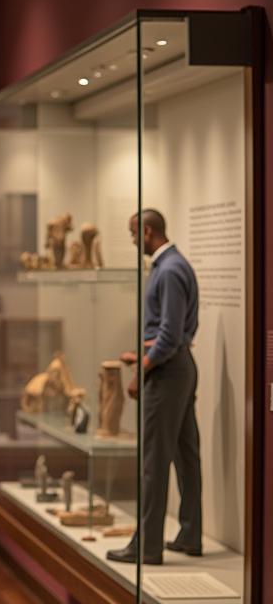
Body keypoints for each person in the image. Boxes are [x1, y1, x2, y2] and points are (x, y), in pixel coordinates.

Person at [107, 208, 201, 566]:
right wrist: (143, 353)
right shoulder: (172, 267)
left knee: (154, 462)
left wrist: (142, 369)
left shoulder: (170, 269)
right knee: (185, 455)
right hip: (177, 368)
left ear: (147, 231)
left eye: (133, 235)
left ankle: (145, 545)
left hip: (168, 373)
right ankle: (190, 534)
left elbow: (170, 334)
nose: (133, 242)